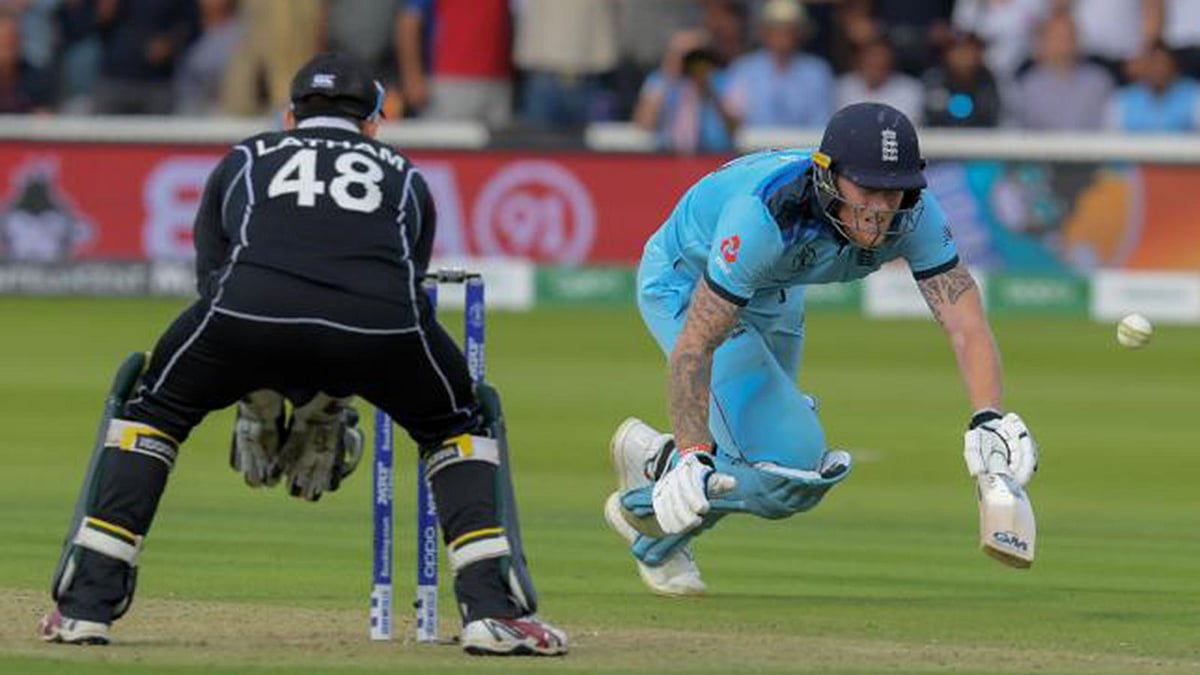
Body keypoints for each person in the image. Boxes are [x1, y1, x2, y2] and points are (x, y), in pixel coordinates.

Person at [38, 52, 567, 657]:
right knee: (456, 425)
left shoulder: (245, 157)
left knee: (152, 413)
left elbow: (212, 277)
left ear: (289, 117)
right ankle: (492, 613)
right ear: (374, 123)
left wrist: (253, 373)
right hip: (379, 326)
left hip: (246, 314)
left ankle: (85, 608)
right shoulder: (404, 173)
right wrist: (337, 379)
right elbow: (405, 280)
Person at [603, 102, 1039, 595]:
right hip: (687, 283)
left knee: (755, 455)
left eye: (893, 189)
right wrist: (691, 451)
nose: (880, 208)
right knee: (788, 471)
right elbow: (695, 346)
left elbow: (966, 324)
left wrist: (988, 417)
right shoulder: (765, 217)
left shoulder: (914, 213)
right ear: (826, 176)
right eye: (866, 188)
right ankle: (647, 489)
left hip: (776, 292)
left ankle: (654, 537)